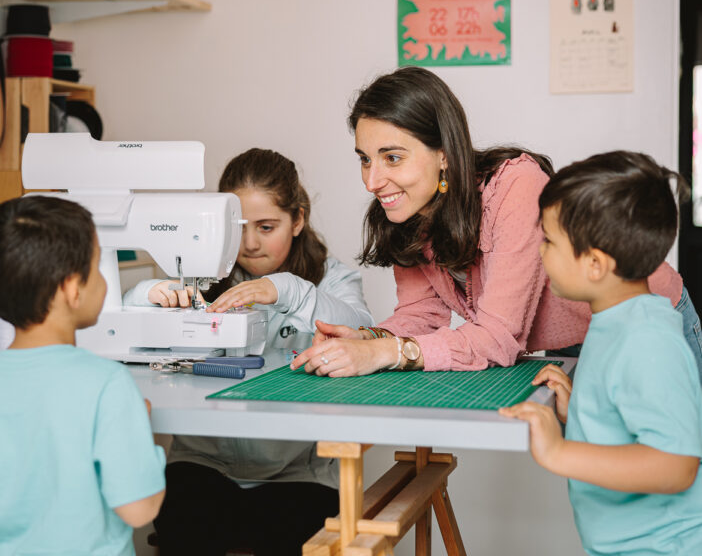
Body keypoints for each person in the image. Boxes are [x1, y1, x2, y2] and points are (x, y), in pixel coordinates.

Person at [291, 66, 701, 377]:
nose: (372, 181)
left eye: (392, 157)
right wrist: (370, 338)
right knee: (606, 477)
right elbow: (420, 315)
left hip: (646, 322)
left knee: (677, 466)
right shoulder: (408, 210)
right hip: (574, 340)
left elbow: (499, 337)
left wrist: (387, 353)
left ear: (444, 154)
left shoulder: (517, 186)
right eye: (365, 159)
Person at [124, 148, 374, 556]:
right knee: (182, 526)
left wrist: (290, 290)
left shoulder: (334, 280)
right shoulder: (200, 273)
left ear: (299, 219)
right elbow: (131, 331)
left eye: (266, 226)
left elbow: (363, 328)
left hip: (298, 475)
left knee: (298, 535)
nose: (251, 243)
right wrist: (144, 296)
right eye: (237, 227)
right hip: (203, 465)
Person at [0, 196, 166, 555]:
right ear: (72, 288)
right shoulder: (108, 386)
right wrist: (138, 432)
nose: (103, 280)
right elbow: (139, 508)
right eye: (98, 266)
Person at [500, 151, 702, 555]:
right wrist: (579, 413)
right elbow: (629, 420)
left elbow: (675, 466)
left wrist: (560, 451)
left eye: (549, 242)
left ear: (595, 264)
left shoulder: (648, 342)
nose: (539, 253)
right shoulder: (615, 322)